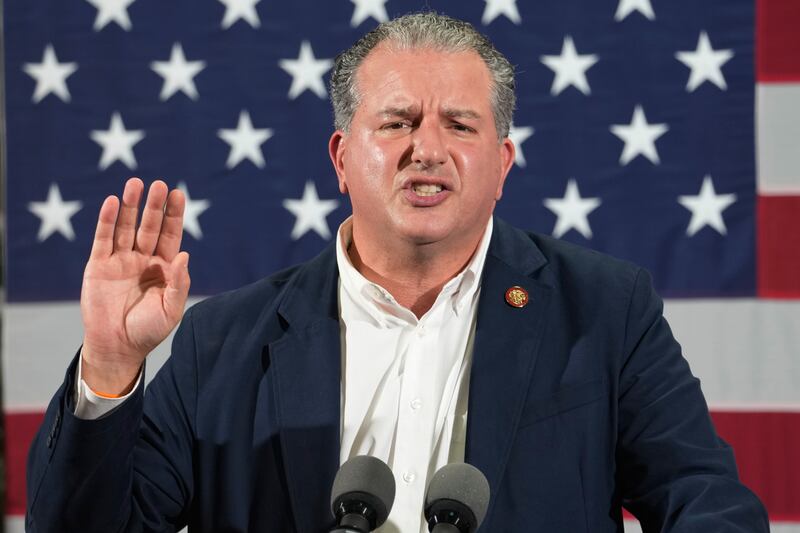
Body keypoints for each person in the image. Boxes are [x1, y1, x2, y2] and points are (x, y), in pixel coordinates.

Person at [27, 12, 768, 533]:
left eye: (460, 124)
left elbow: (707, 502)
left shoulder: (606, 311)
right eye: (397, 121)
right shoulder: (218, 344)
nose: (428, 149)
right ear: (342, 158)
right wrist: (113, 365)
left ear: (502, 164)